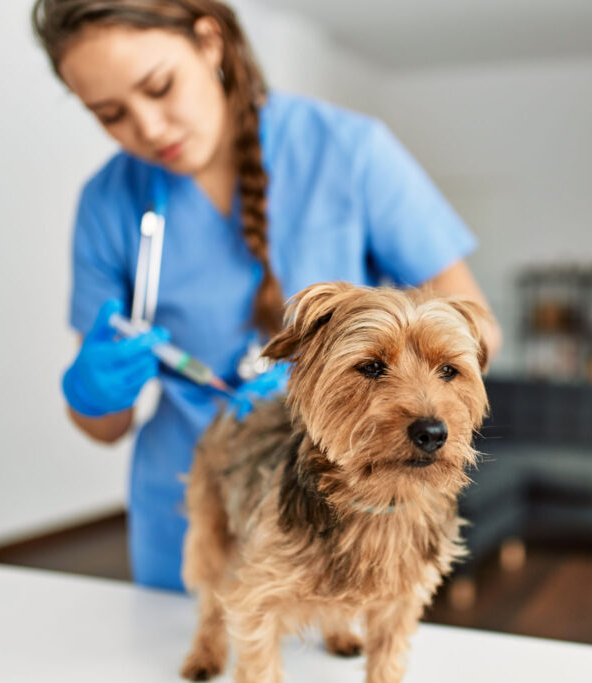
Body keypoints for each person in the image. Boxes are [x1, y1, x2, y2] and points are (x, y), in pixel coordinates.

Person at [31, 0, 502, 592]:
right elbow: (105, 428)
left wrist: (370, 364)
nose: (148, 129)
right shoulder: (108, 202)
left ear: (209, 41)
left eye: (160, 87)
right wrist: (91, 389)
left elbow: (480, 329)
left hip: (335, 513)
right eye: (110, 114)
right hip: (187, 500)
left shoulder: (348, 152)